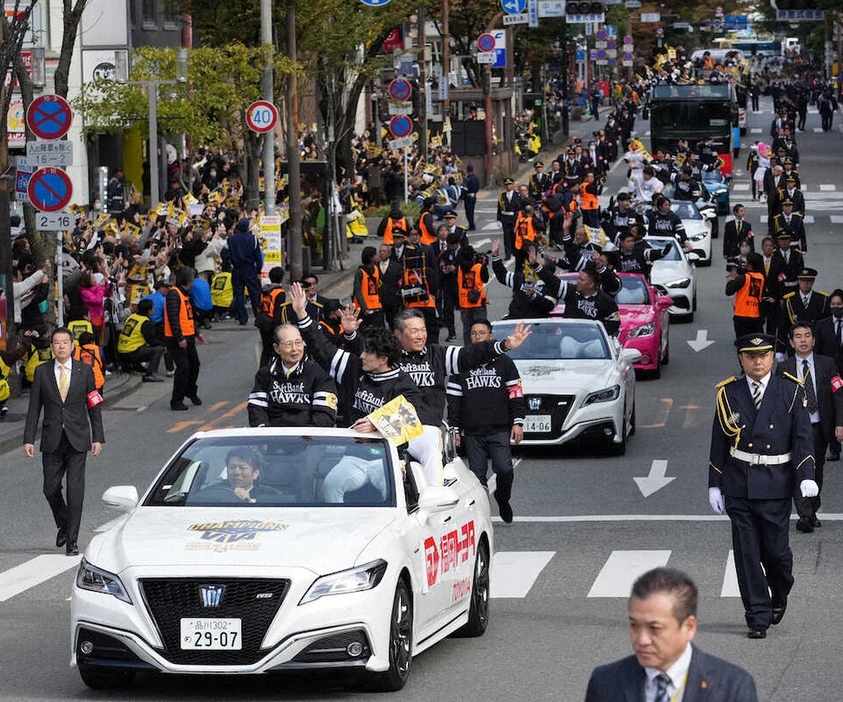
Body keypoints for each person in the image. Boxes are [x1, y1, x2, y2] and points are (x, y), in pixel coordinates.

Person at [708, 333, 817, 639]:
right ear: (741, 359)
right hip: (739, 483)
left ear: (772, 358)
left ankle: (780, 591)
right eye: (750, 356)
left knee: (776, 552)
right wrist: (714, 484)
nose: (757, 361)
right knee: (746, 553)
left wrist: (806, 474)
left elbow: (802, 438)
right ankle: (757, 615)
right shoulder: (728, 393)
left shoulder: (790, 391)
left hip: (776, 483)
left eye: (763, 356)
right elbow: (719, 441)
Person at [584, 567, 758, 702]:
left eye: (655, 628)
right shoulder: (606, 682)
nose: (642, 640)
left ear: (689, 627)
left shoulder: (731, 687)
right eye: (634, 625)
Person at [23, 328, 105, 557]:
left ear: (72, 346)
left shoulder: (85, 371)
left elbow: (94, 405)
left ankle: (72, 541)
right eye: (56, 343)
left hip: (78, 438)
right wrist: (28, 438)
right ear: (51, 346)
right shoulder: (42, 372)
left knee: (75, 490)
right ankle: (64, 522)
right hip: (52, 439)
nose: (61, 346)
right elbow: (33, 409)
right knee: (50, 487)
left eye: (65, 342)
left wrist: (98, 436)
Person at [447, 319, 525, 523]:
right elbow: (453, 401)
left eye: (482, 333)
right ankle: (482, 517)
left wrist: (518, 421)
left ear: (490, 336)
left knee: (505, 469)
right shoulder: (460, 364)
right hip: (472, 432)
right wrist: (454, 429)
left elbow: (515, 393)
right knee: (477, 477)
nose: (478, 337)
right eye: (474, 333)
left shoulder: (505, 362)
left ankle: (502, 497)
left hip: (499, 428)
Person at [776, 322, 843, 533]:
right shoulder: (784, 368)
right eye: (798, 336)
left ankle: (812, 509)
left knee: (817, 470)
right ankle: (805, 515)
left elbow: (838, 395)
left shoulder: (827, 364)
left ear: (814, 340)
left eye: (807, 336)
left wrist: (840, 423)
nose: (803, 340)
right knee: (800, 469)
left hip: (819, 427)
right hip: (794, 429)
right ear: (791, 341)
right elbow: (777, 401)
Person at [247, 324, 338, 428]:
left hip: (308, 438)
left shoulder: (319, 374)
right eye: (288, 344)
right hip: (274, 437)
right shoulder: (264, 374)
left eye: (298, 343)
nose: (294, 349)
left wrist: (307, 436)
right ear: (276, 348)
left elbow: (325, 414)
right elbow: (256, 409)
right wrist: (266, 433)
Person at [164, 266, 205, 411]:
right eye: (192, 279)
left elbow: (189, 316)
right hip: (176, 338)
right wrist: (179, 337)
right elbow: (173, 317)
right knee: (183, 368)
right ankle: (176, 399)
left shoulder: (185, 294)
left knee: (195, 365)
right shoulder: (174, 294)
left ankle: (190, 390)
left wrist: (197, 332)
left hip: (188, 336)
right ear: (187, 280)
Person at [815, 289, 843, 460]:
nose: (835, 307)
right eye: (833, 304)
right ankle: (834, 448)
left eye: (839, 304)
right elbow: (817, 351)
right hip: (829, 372)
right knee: (832, 409)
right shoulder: (822, 325)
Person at [116, 298, 165, 382]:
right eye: (153, 308)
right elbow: (152, 341)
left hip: (121, 351)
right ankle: (149, 375)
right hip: (131, 352)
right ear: (149, 311)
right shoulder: (145, 322)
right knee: (159, 349)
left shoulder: (132, 316)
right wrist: (164, 345)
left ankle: (136, 366)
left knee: (140, 342)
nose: (154, 310)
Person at [225, 217, 263, 326]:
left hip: (236, 269)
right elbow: (258, 257)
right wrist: (258, 270)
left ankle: (242, 318)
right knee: (254, 294)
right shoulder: (253, 239)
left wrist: (231, 261)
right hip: (250, 269)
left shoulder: (231, 239)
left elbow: (225, 254)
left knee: (238, 294)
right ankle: (258, 316)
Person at [725, 253, 765, 339]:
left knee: (743, 344)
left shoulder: (743, 278)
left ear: (749, 264)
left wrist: (732, 278)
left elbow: (728, 291)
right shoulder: (761, 277)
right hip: (756, 315)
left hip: (741, 315)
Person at [352, 246, 385, 330]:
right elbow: (357, 291)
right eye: (375, 255)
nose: (377, 256)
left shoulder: (377, 269)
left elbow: (379, 286)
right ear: (370, 257)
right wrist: (364, 307)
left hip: (376, 306)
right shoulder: (360, 272)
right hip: (364, 309)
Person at [496, 178, 522, 261]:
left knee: (514, 235)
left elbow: (519, 207)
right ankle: (508, 254)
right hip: (505, 218)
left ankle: (515, 252)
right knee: (506, 237)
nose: (508, 186)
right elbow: (499, 208)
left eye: (510, 184)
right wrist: (499, 219)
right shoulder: (501, 196)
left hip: (514, 218)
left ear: (513, 185)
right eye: (506, 185)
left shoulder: (517, 195)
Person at [463, 163, 480, 231]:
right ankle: (472, 225)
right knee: (472, 211)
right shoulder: (476, 178)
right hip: (474, 196)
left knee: (468, 212)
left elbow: (465, 188)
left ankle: (471, 225)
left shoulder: (468, 179)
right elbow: (478, 188)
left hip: (468, 196)